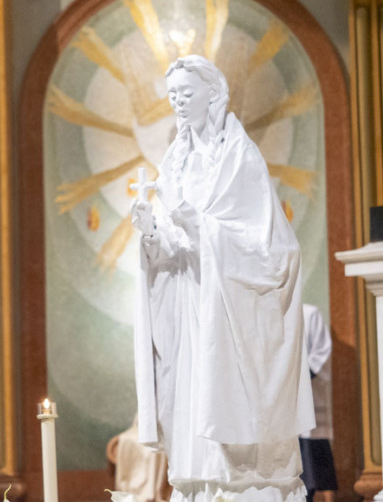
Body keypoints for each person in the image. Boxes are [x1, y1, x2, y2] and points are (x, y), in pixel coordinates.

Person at [129, 55, 314, 501]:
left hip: (231, 317)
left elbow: (273, 251)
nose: (177, 102)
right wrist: (152, 232)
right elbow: (173, 251)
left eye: (186, 93)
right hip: (188, 308)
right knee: (190, 410)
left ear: (214, 93)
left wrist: (202, 228)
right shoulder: (175, 161)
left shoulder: (239, 157)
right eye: (172, 94)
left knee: (232, 427)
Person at [299, 304, 337, 502]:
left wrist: (301, 375)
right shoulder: (268, 311)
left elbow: (322, 350)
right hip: (280, 401)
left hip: (306, 392)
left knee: (310, 465)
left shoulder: (308, 312)